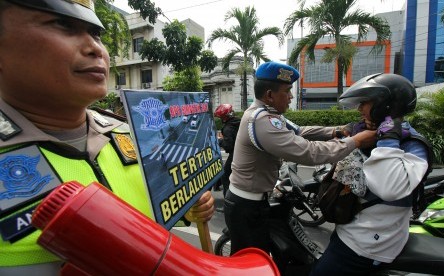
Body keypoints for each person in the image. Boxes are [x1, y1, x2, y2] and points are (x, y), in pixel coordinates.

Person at [0, 1, 214, 275]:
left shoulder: (131, 135)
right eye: (63, 25)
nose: (96, 48)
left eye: (96, 34)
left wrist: (190, 207)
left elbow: (159, 207)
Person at [223, 61, 377, 258]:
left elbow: (299, 131)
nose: (291, 97)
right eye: (287, 91)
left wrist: (337, 131)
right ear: (270, 95)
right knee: (252, 264)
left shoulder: (267, 113)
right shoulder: (262, 121)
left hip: (254, 202)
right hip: (246, 208)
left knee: (262, 256)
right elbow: (309, 153)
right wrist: (355, 141)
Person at [310, 73, 430, 276]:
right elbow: (329, 140)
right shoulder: (363, 132)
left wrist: (389, 140)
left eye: (365, 102)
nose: (359, 109)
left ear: (386, 105)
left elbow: (389, 188)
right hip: (349, 232)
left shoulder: (412, 145)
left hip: (366, 245)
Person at [214, 103, 240, 199]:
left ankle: (228, 202)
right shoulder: (239, 121)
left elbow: (228, 146)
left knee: (225, 176)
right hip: (245, 152)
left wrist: (220, 141)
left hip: (236, 154)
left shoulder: (228, 128)